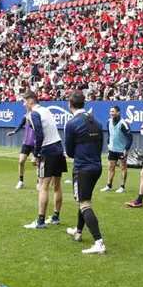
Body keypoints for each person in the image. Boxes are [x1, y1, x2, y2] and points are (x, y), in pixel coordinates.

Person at [64, 91, 107, 254]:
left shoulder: (72, 123)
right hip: (97, 167)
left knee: (84, 203)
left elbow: (70, 152)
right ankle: (78, 231)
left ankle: (99, 242)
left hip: (83, 168)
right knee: (84, 199)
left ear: (70, 104)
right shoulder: (97, 122)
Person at [23, 92, 66, 229]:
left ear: (30, 101)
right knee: (57, 186)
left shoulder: (34, 114)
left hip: (48, 151)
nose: (24, 104)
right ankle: (55, 217)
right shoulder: (46, 110)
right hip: (58, 148)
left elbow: (39, 134)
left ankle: (40, 221)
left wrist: (35, 154)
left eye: (24, 102)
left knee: (43, 186)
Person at [100, 106, 132, 193]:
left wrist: (126, 149)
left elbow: (130, 137)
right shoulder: (109, 122)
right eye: (110, 111)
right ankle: (109, 185)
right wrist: (108, 144)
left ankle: (122, 186)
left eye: (113, 111)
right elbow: (109, 134)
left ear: (118, 112)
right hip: (112, 149)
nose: (111, 113)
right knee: (111, 167)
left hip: (122, 150)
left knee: (123, 167)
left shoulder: (123, 123)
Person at [7, 107, 39, 190]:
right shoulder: (25, 116)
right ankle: (21, 181)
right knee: (21, 161)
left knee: (36, 163)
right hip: (26, 143)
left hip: (36, 143)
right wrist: (14, 132)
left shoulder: (37, 117)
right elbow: (21, 124)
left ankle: (38, 182)